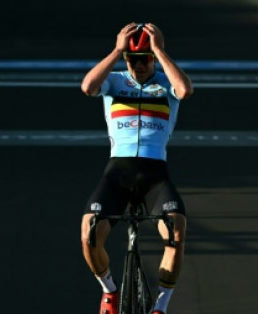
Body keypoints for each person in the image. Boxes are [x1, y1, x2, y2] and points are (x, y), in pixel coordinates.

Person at [79, 23, 193, 314]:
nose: (140, 65)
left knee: (176, 232)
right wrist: (117, 50)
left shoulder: (166, 83)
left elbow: (185, 89)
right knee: (89, 233)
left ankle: (161, 307)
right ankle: (110, 292)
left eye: (146, 58)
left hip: (155, 174)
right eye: (133, 59)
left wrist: (160, 51)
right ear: (125, 59)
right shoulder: (114, 82)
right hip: (118, 172)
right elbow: (88, 87)